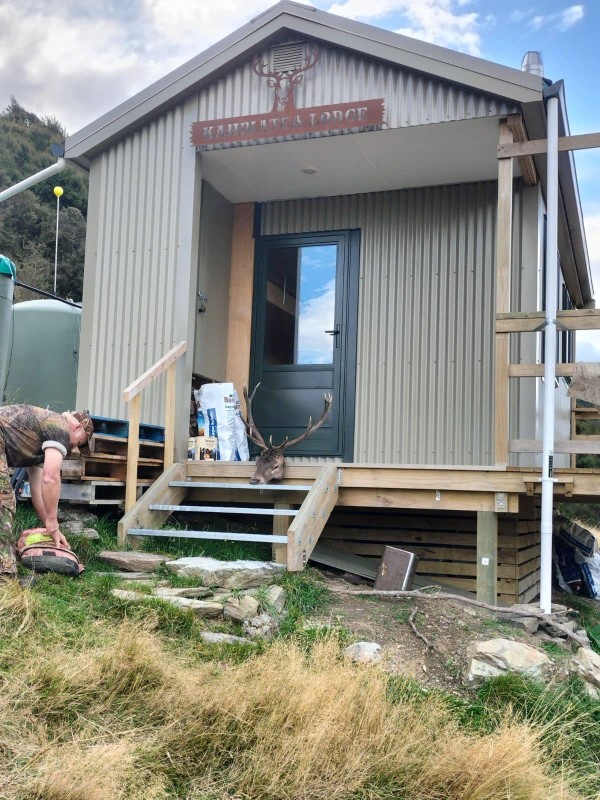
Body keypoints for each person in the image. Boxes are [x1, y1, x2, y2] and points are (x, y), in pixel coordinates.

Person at [0, 405, 94, 581]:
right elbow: (50, 478)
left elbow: (37, 492)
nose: (75, 447)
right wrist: (52, 520)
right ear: (77, 426)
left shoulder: (40, 440)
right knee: (3, 502)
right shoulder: (59, 427)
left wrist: (52, 529)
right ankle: (4, 577)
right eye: (80, 441)